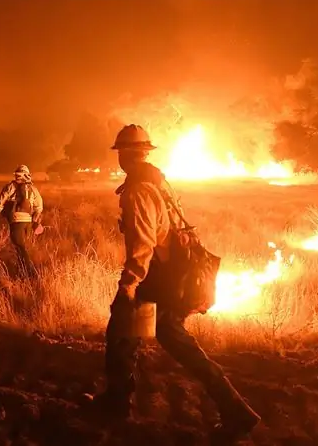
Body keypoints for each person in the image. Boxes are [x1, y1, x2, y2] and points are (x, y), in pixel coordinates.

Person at [94, 124, 261, 442]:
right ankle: (116, 402)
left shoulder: (139, 190)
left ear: (125, 155)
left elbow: (143, 243)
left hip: (159, 281)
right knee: (127, 338)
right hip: (169, 278)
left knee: (133, 335)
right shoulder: (158, 182)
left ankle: (236, 412)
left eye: (122, 152)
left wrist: (129, 283)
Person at [0, 165, 43, 278]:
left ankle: (31, 274)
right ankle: (22, 272)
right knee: (23, 248)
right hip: (28, 223)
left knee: (20, 248)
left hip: (16, 221)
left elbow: (0, 203)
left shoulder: (10, 187)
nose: (17, 177)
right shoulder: (33, 189)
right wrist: (34, 221)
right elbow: (39, 208)